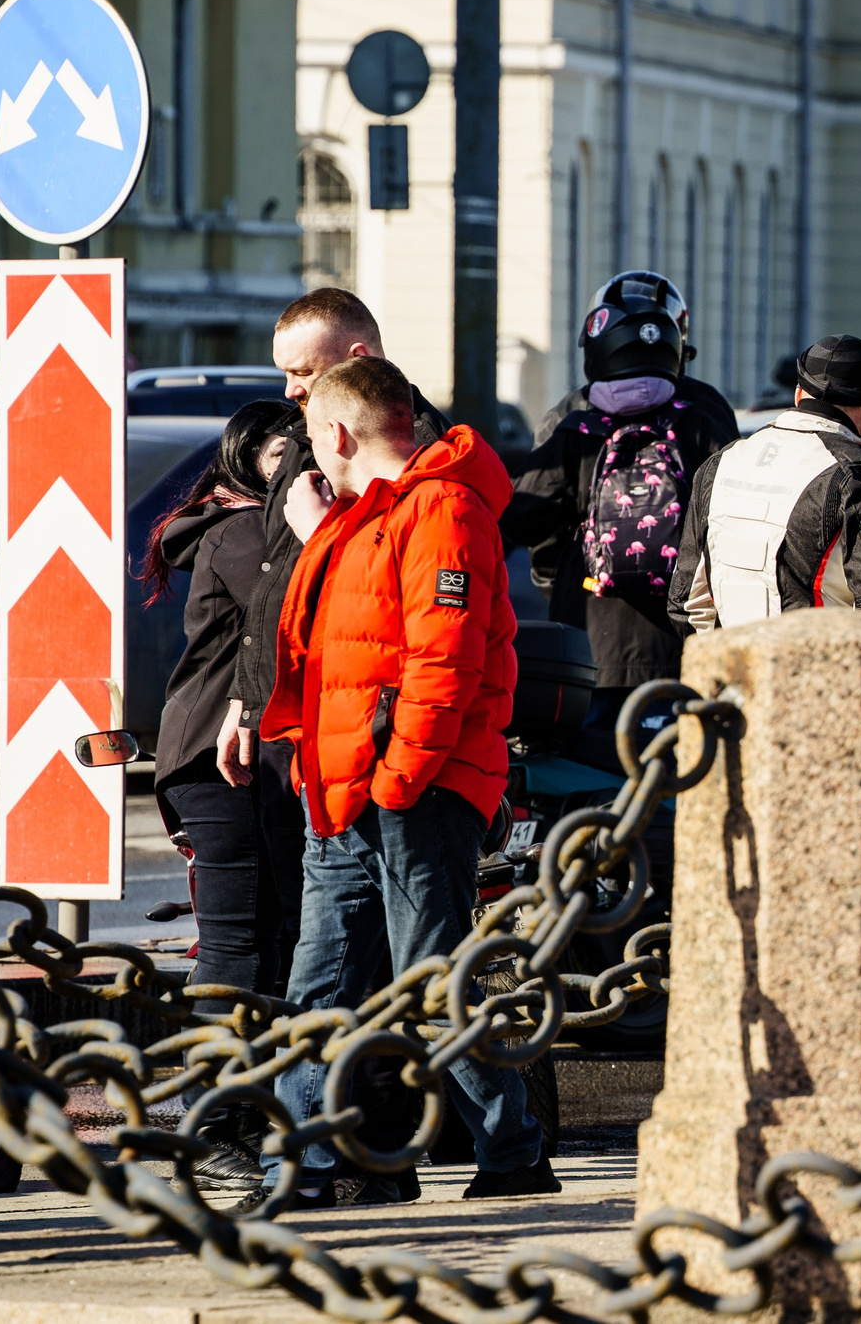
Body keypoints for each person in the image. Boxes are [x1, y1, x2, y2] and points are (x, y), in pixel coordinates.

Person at [254, 355, 552, 1205]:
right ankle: (303, 1163)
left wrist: (399, 780)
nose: (311, 452)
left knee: (432, 983)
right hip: (347, 790)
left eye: (315, 432)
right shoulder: (364, 515)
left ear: (341, 433)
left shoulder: (442, 508)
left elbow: (443, 660)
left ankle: (513, 1152)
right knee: (323, 985)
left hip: (403, 792)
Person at [215, 289, 448, 783]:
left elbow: (409, 607)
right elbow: (275, 577)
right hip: (294, 722)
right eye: (284, 374)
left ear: (356, 358)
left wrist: (400, 767)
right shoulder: (302, 438)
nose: (290, 391)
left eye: (303, 372)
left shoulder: (425, 454)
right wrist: (247, 701)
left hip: (365, 734)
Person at [505, 271, 736, 762]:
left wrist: (553, 583)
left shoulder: (572, 418)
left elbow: (528, 518)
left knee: (585, 775)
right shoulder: (705, 411)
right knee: (672, 778)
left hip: (588, 635)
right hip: (681, 639)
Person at [148, 399, 307, 1002]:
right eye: (279, 455)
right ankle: (219, 1094)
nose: (294, 467)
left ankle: (255, 1089)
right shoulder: (243, 531)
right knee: (236, 946)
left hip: (242, 755)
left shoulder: (254, 524)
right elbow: (300, 607)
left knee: (271, 941)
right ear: (245, 455)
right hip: (219, 758)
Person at [669, 335, 861, 629]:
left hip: (730, 666)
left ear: (798, 393)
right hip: (819, 669)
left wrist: (716, 668)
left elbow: (686, 601)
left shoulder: (720, 463)